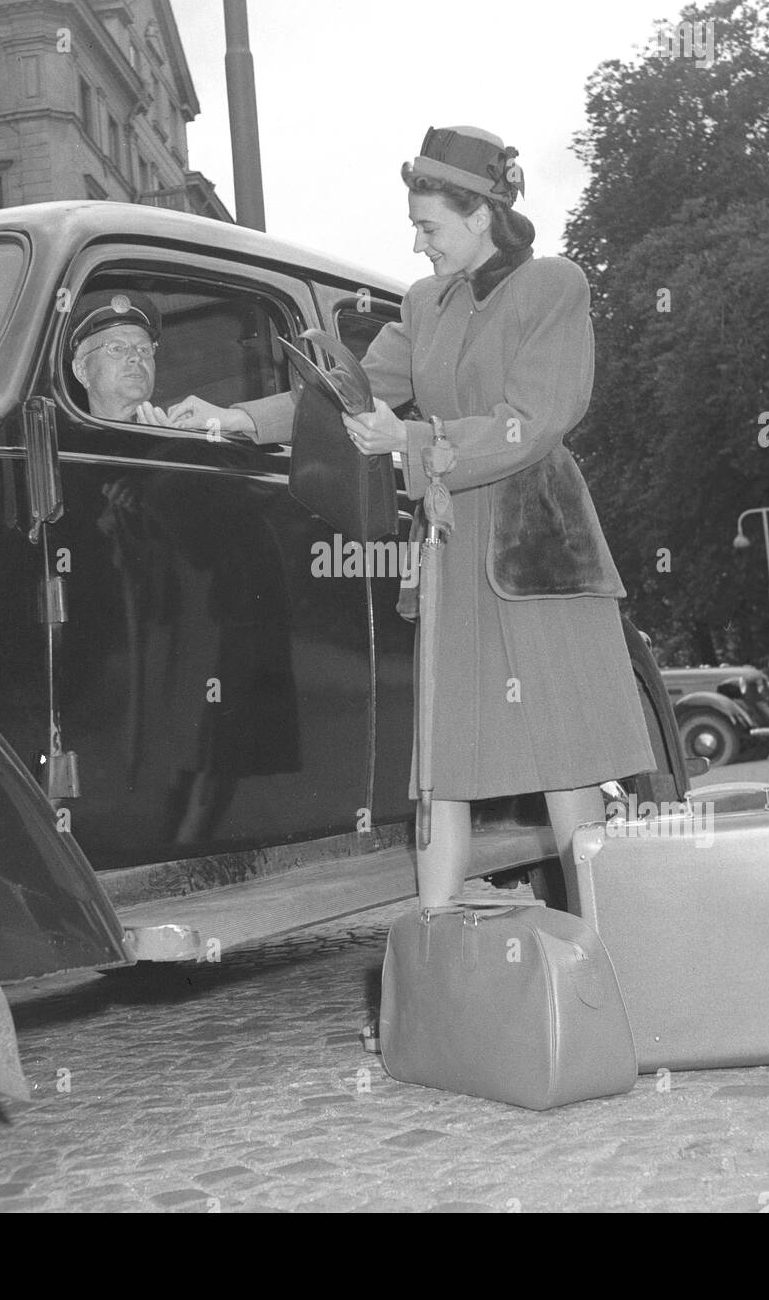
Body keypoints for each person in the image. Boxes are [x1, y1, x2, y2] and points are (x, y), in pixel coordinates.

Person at [165, 126, 656, 911]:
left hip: (538, 545)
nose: (417, 243)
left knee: (567, 761)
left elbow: (536, 421)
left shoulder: (553, 286)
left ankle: (601, 939)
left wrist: (414, 442)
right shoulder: (425, 304)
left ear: (480, 215)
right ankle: (435, 939)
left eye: (428, 226)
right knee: (443, 767)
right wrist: (236, 418)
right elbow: (347, 392)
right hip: (453, 547)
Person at [69, 292, 170, 424]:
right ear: (82, 371)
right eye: (117, 348)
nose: (136, 357)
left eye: (144, 349)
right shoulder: (60, 438)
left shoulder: (179, 432)